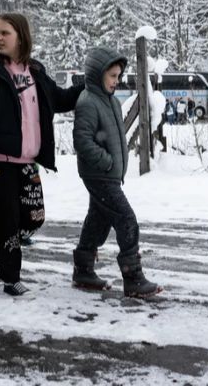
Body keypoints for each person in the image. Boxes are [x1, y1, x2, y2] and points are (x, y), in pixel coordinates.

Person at [0, 12, 82, 297]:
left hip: (27, 162)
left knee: (34, 217)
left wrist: (88, 86)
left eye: (5, 33)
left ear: (21, 37)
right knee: (8, 220)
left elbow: (60, 100)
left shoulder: (35, 71)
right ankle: (10, 278)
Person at [71, 47, 162, 299]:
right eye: (112, 75)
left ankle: (83, 270)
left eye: (118, 76)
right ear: (97, 74)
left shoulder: (110, 100)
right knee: (126, 219)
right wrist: (107, 161)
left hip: (106, 174)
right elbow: (82, 140)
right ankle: (133, 278)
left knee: (97, 223)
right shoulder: (88, 101)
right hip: (99, 174)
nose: (116, 80)